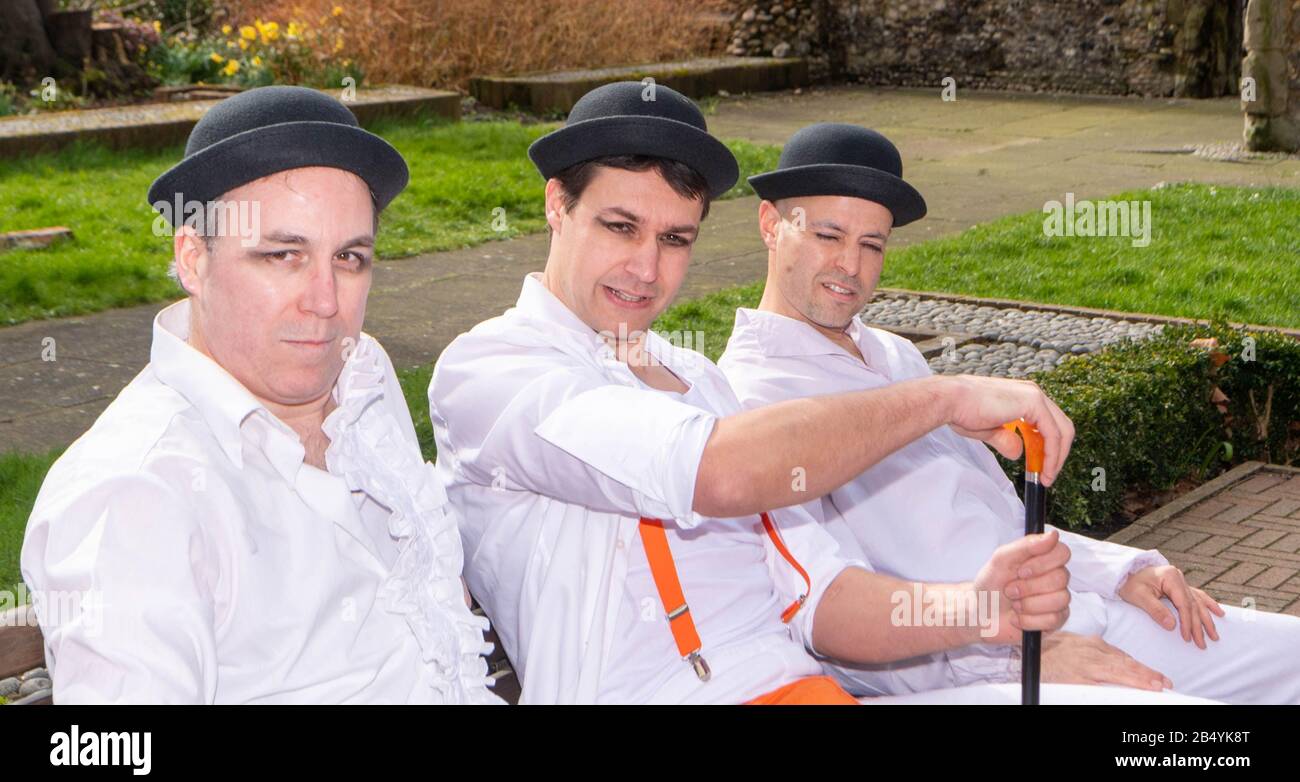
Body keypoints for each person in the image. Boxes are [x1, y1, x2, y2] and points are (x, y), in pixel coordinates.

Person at [425, 81, 1168, 705]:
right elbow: (715, 470)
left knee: (1187, 733)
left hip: (805, 687)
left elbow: (820, 596)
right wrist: (940, 398)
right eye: (620, 226)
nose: (646, 268)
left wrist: (977, 608)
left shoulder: (702, 380)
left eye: (676, 239)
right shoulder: (493, 369)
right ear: (557, 205)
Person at [718, 122, 1300, 704]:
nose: (851, 265)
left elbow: (1002, 527)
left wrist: (1122, 571)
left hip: (1072, 621)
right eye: (828, 234)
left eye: (873, 244)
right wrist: (1018, 657)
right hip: (981, 672)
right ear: (771, 224)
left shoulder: (890, 352)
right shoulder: (752, 401)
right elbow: (826, 628)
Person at [22, 86, 500, 704]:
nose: (326, 302)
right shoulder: (135, 492)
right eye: (282, 255)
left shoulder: (361, 377)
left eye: (349, 258)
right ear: (193, 260)